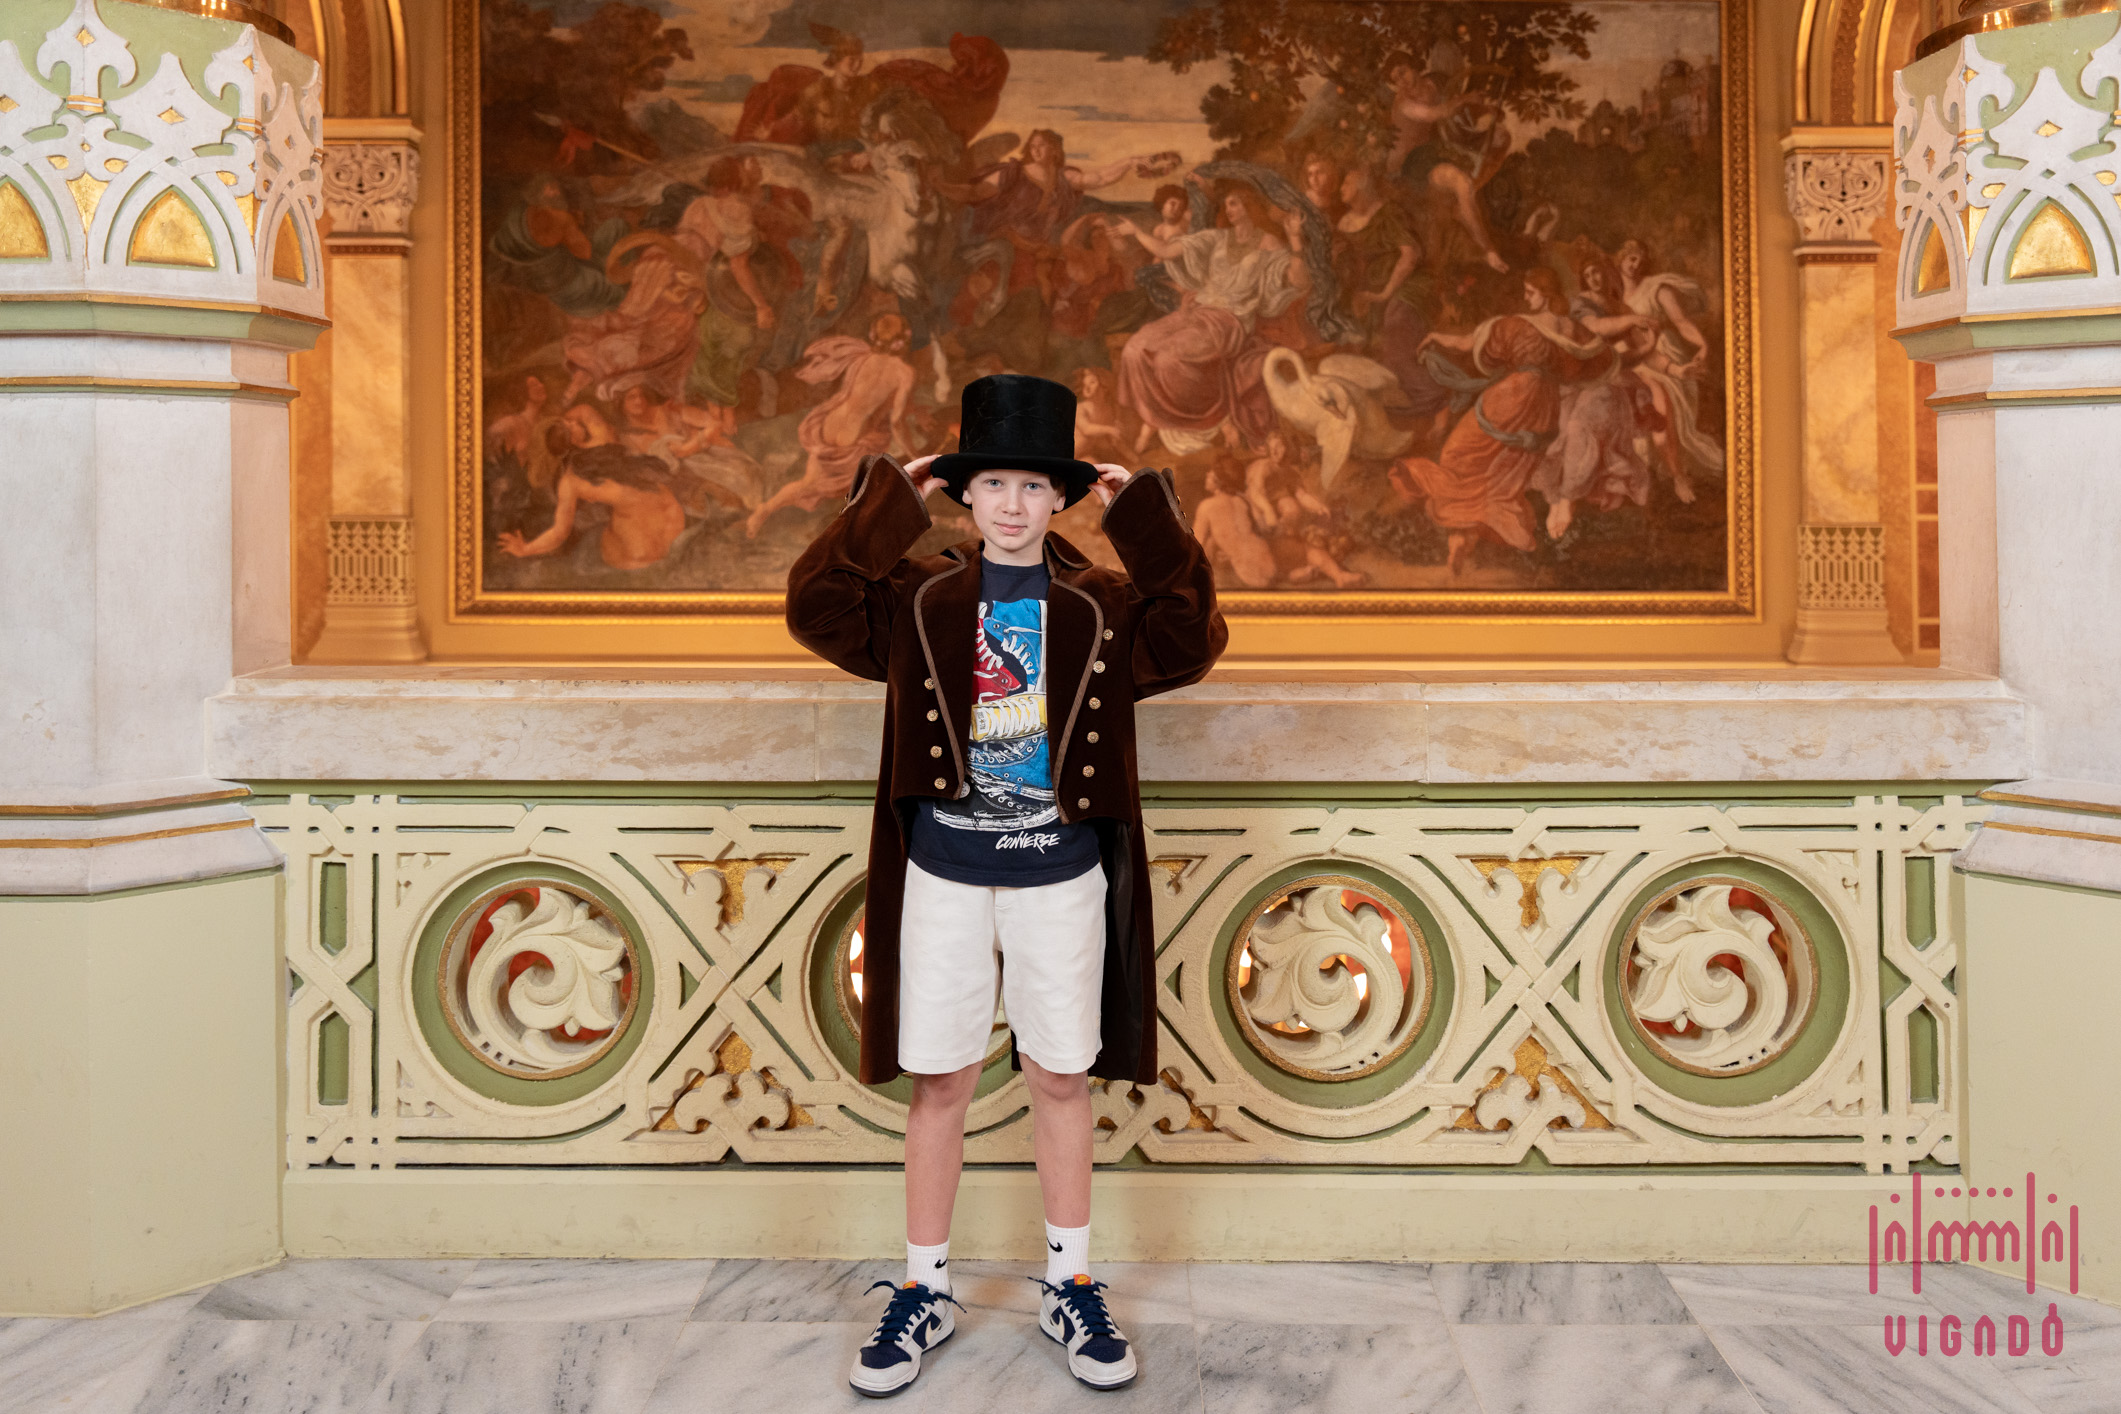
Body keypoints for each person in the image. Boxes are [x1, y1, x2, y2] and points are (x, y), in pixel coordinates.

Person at [786, 373, 1225, 1399]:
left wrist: (1145, 520)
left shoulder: (1098, 605)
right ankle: (925, 1287)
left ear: (1062, 497)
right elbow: (816, 605)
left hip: (1059, 875)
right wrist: (886, 502)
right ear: (963, 495)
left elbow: (1191, 636)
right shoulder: (920, 600)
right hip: (942, 872)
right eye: (992, 484)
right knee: (939, 1080)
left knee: (1059, 1076)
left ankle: (1069, 1284)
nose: (1014, 505)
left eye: (1033, 485)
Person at [1397, 266, 1610, 573]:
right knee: (1500, 472)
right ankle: (1463, 537)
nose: (1526, 297)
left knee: (1458, 453)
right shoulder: (1573, 329)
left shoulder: (1518, 324)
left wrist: (1434, 336)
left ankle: (1460, 531)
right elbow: (1599, 355)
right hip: (1544, 408)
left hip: (1514, 395)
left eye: (1530, 292)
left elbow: (1468, 342)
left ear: (1545, 294)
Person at [1111, 184, 1312, 456]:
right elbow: (1168, 251)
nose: (1228, 209)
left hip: (1229, 321)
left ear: (1250, 205)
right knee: (1134, 348)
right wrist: (1136, 232)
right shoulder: (1216, 238)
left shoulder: (1268, 243)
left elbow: (1299, 281)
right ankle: (1146, 420)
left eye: (1235, 203)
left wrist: (1295, 240)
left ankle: (1199, 420)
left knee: (1168, 360)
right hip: (1197, 311)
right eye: (1226, 204)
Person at [747, 315, 917, 537]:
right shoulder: (904, 372)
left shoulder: (862, 358)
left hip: (830, 422)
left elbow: (849, 393)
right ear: (904, 338)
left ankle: (766, 509)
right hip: (853, 434)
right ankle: (846, 533)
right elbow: (896, 422)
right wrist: (914, 453)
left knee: (809, 483)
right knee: (856, 489)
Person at [497, 403, 688, 570]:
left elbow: (559, 532)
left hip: (641, 548)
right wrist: (525, 550)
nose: (573, 421)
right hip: (672, 523)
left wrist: (525, 549)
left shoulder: (570, 482)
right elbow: (584, 411)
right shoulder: (603, 438)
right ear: (572, 440)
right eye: (569, 425)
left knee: (589, 545)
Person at [1616, 239, 1722, 502]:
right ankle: (1638, 476)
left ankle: (1677, 476)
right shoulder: (1612, 296)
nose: (1635, 265)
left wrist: (1702, 345)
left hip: (1662, 355)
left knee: (1665, 406)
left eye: (1640, 260)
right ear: (1620, 258)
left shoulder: (1657, 289)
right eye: (1631, 258)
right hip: (1630, 357)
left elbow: (1681, 322)